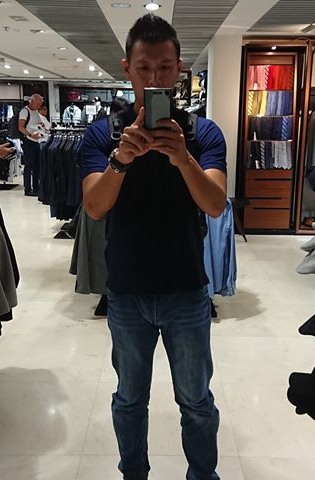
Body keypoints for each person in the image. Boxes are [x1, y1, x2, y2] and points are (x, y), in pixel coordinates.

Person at [80, 14, 227, 480]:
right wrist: (121, 160)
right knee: (129, 400)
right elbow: (94, 207)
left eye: (165, 67)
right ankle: (133, 475)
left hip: (187, 289)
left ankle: (203, 476)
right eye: (144, 67)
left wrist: (183, 159)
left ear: (179, 68)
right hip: (127, 292)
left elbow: (216, 205)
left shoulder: (202, 134)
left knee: (196, 402)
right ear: (127, 67)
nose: (155, 77)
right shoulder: (103, 135)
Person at [18, 93, 44, 196]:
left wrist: (41, 125)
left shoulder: (35, 112)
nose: (39, 106)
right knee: (29, 166)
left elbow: (36, 123)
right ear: (32, 101)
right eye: (38, 104)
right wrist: (30, 135)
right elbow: (20, 127)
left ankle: (36, 188)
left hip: (36, 141)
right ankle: (27, 189)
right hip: (28, 141)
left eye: (40, 104)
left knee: (37, 166)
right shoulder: (25, 111)